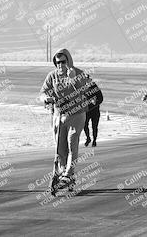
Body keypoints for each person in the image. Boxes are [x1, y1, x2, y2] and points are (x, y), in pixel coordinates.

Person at [40, 48, 92, 186]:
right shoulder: (52, 76)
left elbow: (87, 90)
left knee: (72, 142)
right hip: (59, 114)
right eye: (57, 62)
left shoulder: (78, 73)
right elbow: (43, 92)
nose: (60, 65)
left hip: (77, 113)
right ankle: (62, 171)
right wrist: (46, 98)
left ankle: (69, 173)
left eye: (63, 62)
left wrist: (74, 79)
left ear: (68, 60)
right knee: (59, 147)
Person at [84, 81, 103, 147]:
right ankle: (88, 138)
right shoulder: (83, 89)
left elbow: (101, 99)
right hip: (87, 111)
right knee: (85, 125)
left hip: (95, 111)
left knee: (94, 126)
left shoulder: (96, 89)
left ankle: (94, 140)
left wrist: (95, 103)